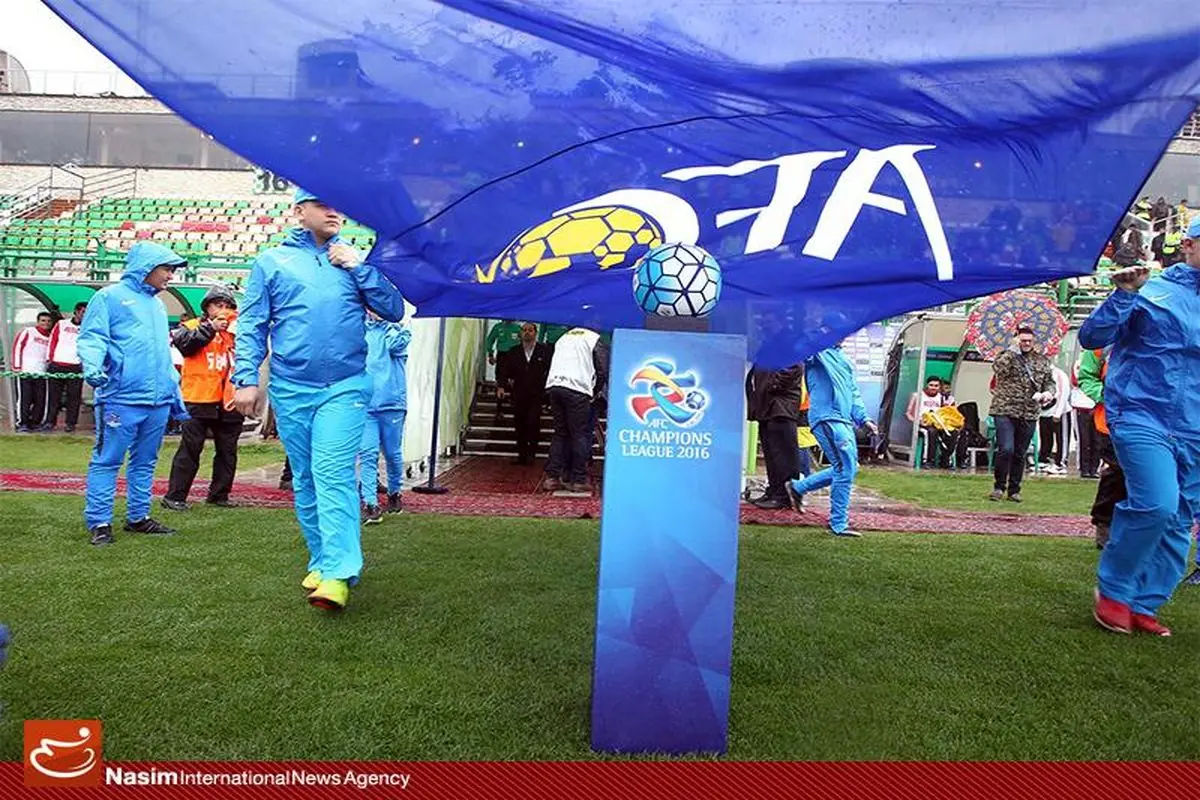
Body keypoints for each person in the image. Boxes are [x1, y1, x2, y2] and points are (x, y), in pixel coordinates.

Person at [232, 187, 407, 611]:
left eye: (338, 205)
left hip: (345, 387)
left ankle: (338, 574)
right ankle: (322, 559)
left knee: (332, 472)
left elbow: (394, 309)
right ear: (299, 212)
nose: (334, 211)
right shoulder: (272, 262)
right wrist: (246, 379)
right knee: (307, 477)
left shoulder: (353, 259)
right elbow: (253, 324)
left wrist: (360, 268)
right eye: (323, 204)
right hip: (291, 388)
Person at [1083, 216, 1200, 636]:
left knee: (1180, 519)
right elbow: (1092, 337)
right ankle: (1114, 592)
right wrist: (1124, 295)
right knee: (1158, 504)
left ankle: (1144, 603)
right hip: (1141, 413)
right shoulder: (1151, 287)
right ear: (1188, 245)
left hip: (1195, 427)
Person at [77, 242, 189, 546]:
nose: (171, 276)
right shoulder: (109, 297)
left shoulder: (157, 306)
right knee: (107, 460)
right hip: (120, 397)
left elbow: (162, 354)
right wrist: (92, 366)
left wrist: (173, 391)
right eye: (167, 269)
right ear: (147, 267)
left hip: (157, 401)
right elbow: (93, 338)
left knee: (146, 461)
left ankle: (138, 517)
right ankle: (100, 522)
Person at [162, 286, 243, 511]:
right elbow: (185, 346)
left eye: (227, 306)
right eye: (218, 305)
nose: (223, 310)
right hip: (198, 397)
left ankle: (219, 495)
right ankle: (175, 496)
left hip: (229, 399)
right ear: (207, 308)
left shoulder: (238, 330)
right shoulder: (190, 326)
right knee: (190, 449)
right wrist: (210, 328)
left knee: (228, 451)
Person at [785, 345, 879, 536]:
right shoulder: (816, 351)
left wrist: (864, 419)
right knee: (845, 469)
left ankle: (798, 487)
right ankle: (838, 524)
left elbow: (852, 391)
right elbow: (801, 349)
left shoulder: (843, 359)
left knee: (849, 468)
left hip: (842, 420)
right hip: (826, 417)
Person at [988, 327, 1055, 502]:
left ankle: (1014, 490)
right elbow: (998, 369)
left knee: (1020, 452)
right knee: (1006, 449)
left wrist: (1048, 393)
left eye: (1029, 341)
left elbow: (1049, 382)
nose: (1026, 343)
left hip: (1029, 412)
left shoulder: (1041, 360)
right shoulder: (1006, 356)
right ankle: (999, 487)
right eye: (1023, 340)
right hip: (1005, 409)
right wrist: (1012, 351)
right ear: (1016, 340)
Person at [358, 314, 411, 523]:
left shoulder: (399, 331)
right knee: (367, 453)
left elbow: (394, 345)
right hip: (366, 404)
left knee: (392, 453)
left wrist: (388, 323)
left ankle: (395, 493)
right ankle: (370, 503)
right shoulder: (360, 329)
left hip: (392, 404)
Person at [543, 327, 608, 492]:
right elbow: (602, 370)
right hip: (577, 389)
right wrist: (594, 393)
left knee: (560, 433)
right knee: (579, 434)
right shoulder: (593, 339)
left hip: (555, 386)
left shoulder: (564, 337)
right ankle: (578, 479)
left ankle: (552, 478)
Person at [745, 360, 805, 509]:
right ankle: (774, 491)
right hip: (767, 408)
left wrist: (771, 385)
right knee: (772, 455)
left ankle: (783, 496)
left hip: (780, 407)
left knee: (783, 455)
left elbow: (793, 368)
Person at [496, 322, 553, 465]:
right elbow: (504, 370)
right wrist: (501, 386)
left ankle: (532, 453)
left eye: (530, 330)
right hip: (519, 393)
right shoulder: (513, 351)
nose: (527, 333)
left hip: (537, 394)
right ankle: (522, 455)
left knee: (533, 422)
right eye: (524, 330)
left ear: (535, 333)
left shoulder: (544, 351)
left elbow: (551, 369)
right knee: (519, 424)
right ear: (520, 333)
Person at [44, 302, 87, 432]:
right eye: (83, 311)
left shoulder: (88, 327)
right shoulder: (61, 324)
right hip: (57, 364)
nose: (84, 314)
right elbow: (53, 340)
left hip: (76, 366)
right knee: (53, 396)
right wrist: (50, 359)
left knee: (74, 397)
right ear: (76, 312)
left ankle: (71, 423)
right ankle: (50, 422)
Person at [11, 311, 53, 432]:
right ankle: (22, 423)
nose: (46, 323)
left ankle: (35, 422)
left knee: (40, 399)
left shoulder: (50, 337)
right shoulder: (28, 332)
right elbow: (17, 347)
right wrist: (17, 366)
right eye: (43, 321)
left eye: (48, 321)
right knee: (25, 399)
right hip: (26, 371)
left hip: (42, 373)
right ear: (38, 322)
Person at [906, 376, 953, 468]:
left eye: (936, 386)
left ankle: (945, 460)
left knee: (953, 432)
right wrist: (918, 422)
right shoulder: (917, 395)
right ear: (927, 385)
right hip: (922, 424)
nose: (933, 388)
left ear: (939, 387)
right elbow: (908, 413)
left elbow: (945, 413)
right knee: (930, 432)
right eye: (931, 385)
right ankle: (928, 460)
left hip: (938, 423)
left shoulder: (941, 398)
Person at [1036, 364, 1072, 474]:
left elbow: (1063, 393)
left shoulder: (1059, 374)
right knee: (1045, 437)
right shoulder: (1037, 373)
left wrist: (1058, 413)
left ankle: (1061, 463)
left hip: (1059, 412)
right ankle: (1044, 460)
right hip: (1044, 412)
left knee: (1062, 438)